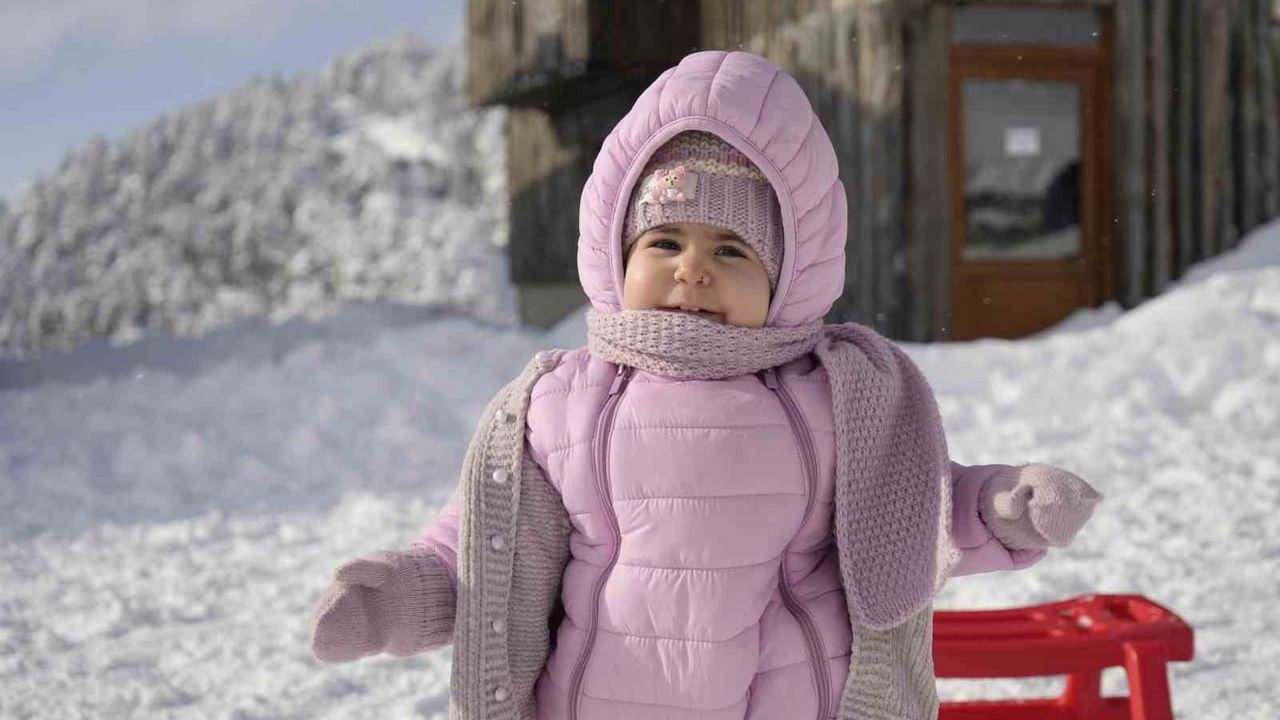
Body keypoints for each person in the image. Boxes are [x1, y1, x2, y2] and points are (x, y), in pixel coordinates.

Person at [308, 50, 1102, 719]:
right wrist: (391, 602)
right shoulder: (562, 404)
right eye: (664, 240)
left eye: (731, 251)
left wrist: (1006, 508)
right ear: (616, 257)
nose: (692, 268)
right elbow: (486, 548)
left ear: (788, 277)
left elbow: (909, 515)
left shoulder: (830, 397)